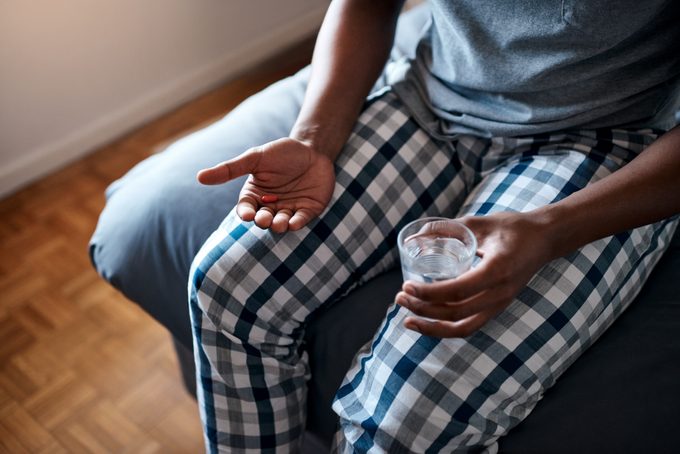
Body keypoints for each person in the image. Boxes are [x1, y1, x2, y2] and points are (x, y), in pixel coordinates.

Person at [188, 0, 680, 452]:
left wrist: (551, 230)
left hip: (605, 136)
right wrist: (313, 139)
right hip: (430, 99)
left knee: (412, 413)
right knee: (224, 286)